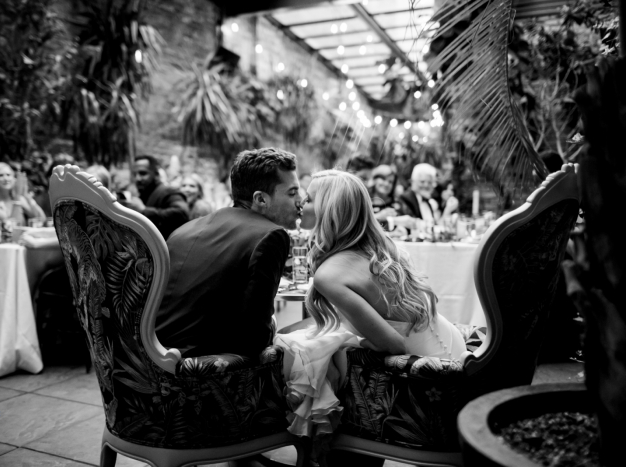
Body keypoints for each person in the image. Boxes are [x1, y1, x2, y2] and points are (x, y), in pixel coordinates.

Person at [275, 170, 464, 457]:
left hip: (428, 374)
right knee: (312, 343)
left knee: (305, 351)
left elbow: (394, 345)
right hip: (448, 344)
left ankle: (315, 450)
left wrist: (347, 343)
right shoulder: (381, 248)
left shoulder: (330, 274)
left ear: (330, 211)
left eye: (310, 198)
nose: (302, 201)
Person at [155, 147, 302, 358]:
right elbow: (255, 337)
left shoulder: (185, 229)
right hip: (206, 371)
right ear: (260, 199)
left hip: (149, 363)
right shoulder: (271, 235)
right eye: (292, 192)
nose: (300, 201)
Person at [119, 155, 189, 240]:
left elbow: (182, 213)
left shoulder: (168, 191)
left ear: (156, 174)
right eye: (134, 174)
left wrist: (143, 210)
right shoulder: (143, 193)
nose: (137, 178)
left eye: (143, 173)